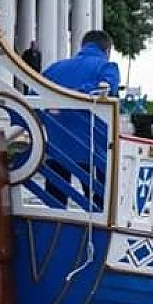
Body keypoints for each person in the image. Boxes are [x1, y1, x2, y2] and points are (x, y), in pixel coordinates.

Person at [41, 30, 121, 206]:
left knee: (55, 203)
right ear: (107, 50)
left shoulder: (54, 69)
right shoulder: (107, 68)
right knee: (99, 206)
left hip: (57, 147)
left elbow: (34, 97)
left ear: (82, 46)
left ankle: (53, 230)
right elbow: (105, 90)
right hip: (93, 148)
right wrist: (75, 97)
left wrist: (58, 105)